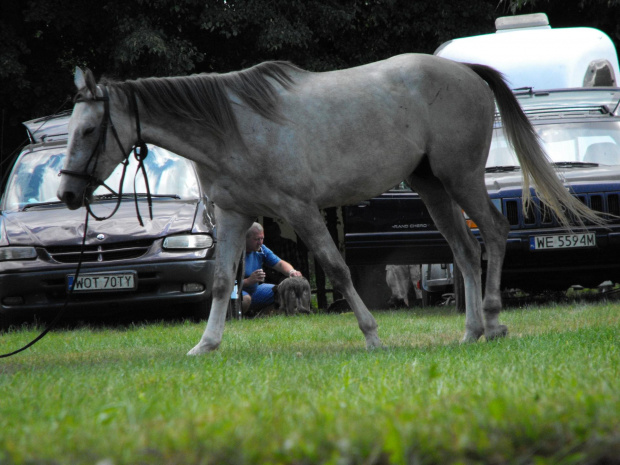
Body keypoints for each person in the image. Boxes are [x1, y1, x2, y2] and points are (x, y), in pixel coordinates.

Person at [242, 222, 303, 315]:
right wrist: (248, 281)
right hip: (236, 291)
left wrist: (292, 272)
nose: (260, 242)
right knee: (245, 300)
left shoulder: (261, 249)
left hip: (255, 291)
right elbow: (228, 283)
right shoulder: (235, 252)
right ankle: (236, 318)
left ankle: (262, 317)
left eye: (262, 238)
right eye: (256, 239)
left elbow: (280, 264)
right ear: (245, 238)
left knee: (283, 291)